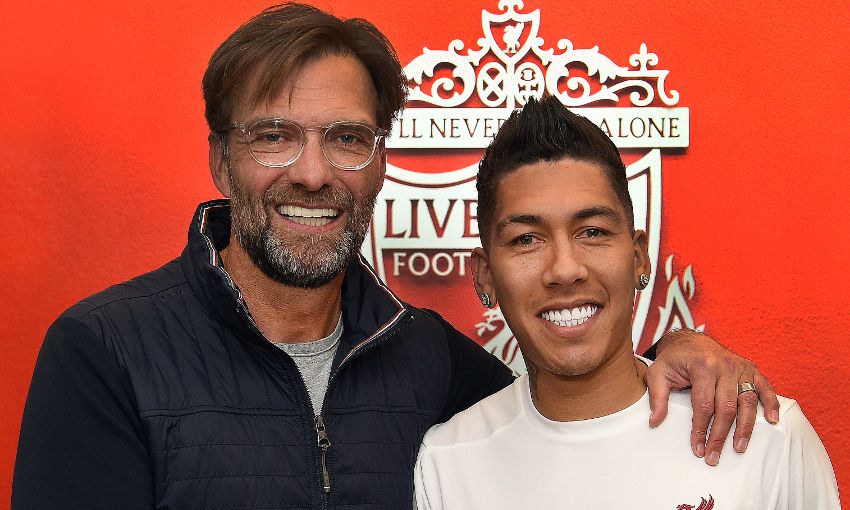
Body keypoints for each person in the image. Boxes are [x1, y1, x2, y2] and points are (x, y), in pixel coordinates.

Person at [13, 4, 779, 510]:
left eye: (346, 138)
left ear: (379, 161)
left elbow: (568, 407)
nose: (312, 173)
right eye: (274, 135)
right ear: (221, 160)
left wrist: (674, 354)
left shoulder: (440, 366)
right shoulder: (106, 352)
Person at [413, 95, 841, 509]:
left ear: (639, 257)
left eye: (593, 231)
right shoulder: (447, 463)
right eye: (527, 239)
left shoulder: (769, 440)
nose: (565, 268)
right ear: (485, 275)